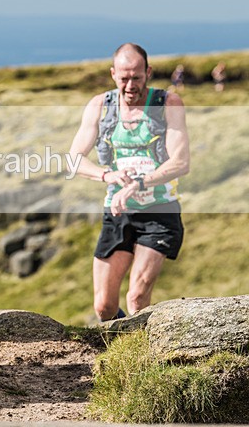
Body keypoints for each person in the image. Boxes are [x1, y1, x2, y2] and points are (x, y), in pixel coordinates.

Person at [68, 43, 190, 322]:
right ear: (113, 74)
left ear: (148, 72)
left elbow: (181, 162)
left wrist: (139, 183)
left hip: (159, 211)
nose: (131, 85)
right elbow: (73, 160)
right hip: (118, 211)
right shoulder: (100, 106)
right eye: (124, 78)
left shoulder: (167, 104)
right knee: (104, 307)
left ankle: (141, 348)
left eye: (137, 77)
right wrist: (107, 175)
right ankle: (125, 341)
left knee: (136, 296)